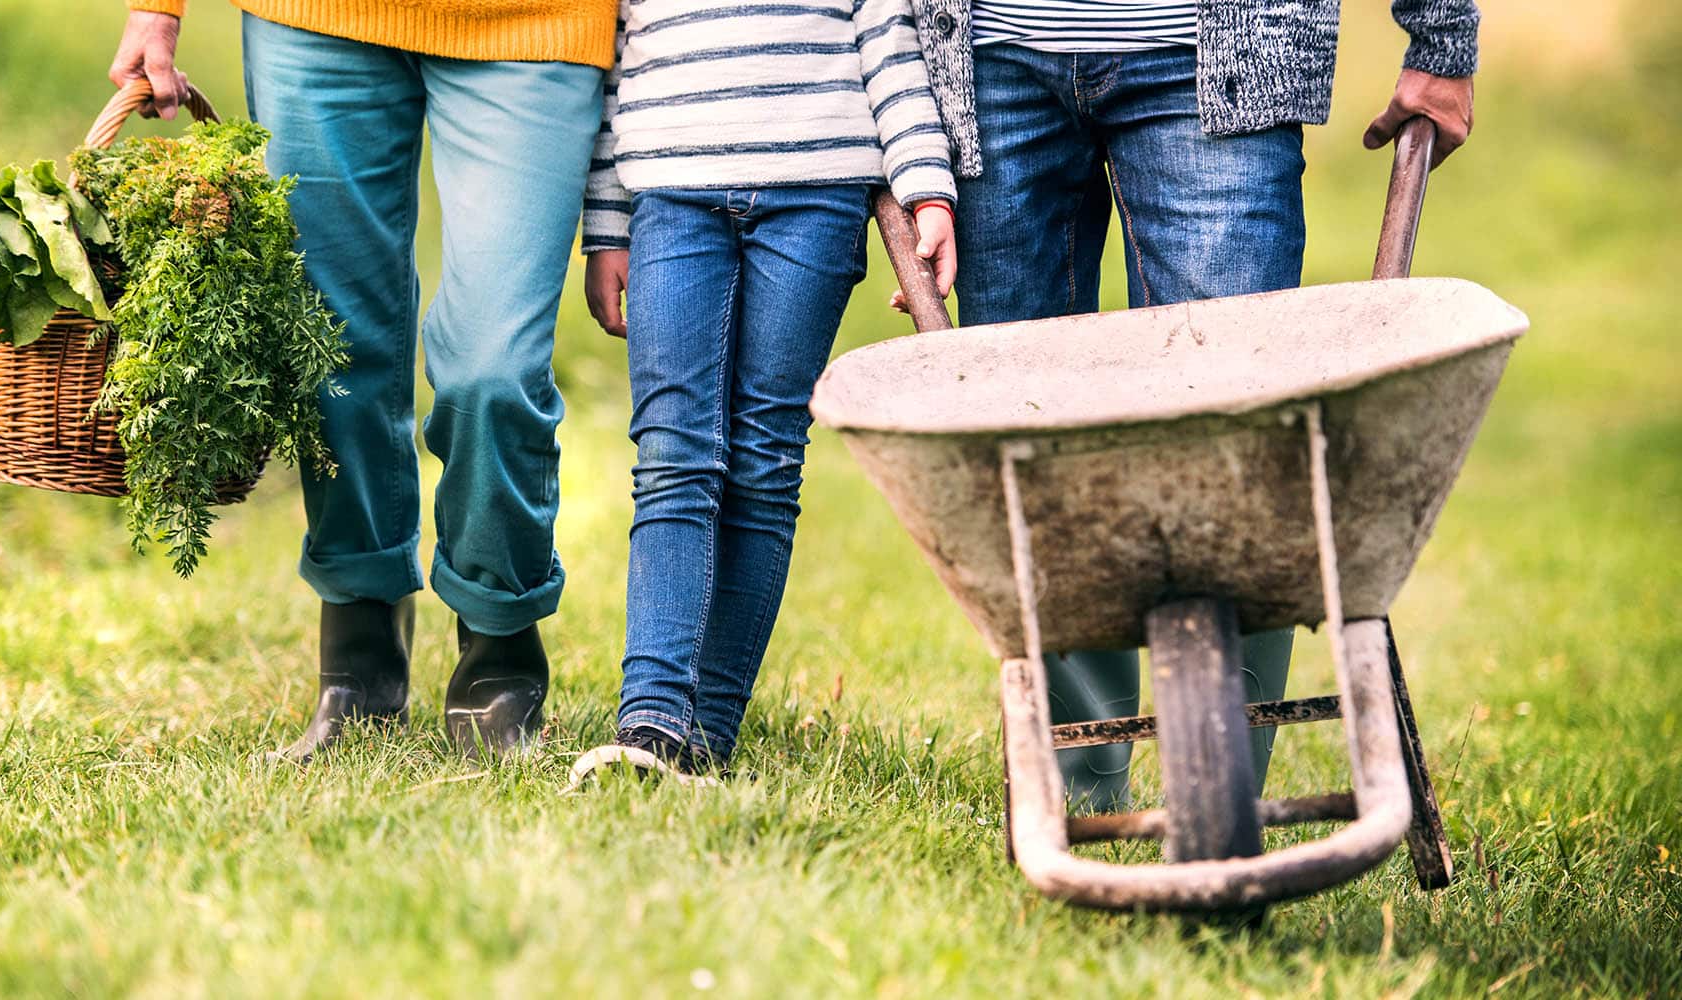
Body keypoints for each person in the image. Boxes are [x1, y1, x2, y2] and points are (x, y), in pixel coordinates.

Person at [903, 0, 1478, 808]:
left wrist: (1443, 33)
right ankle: (1083, 799)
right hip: (986, 56)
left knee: (1238, 435)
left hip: (1215, 48)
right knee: (1029, 438)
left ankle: (1221, 803)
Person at [108, 0, 618, 761]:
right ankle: (359, 658)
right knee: (333, 349)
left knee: (494, 366)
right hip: (314, 20)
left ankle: (499, 653)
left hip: (535, 23)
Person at [566, 0, 960, 783]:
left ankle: (706, 731)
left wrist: (925, 188)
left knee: (765, 459)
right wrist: (608, 228)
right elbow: (615, 68)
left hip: (817, 194)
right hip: (671, 196)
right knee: (674, 451)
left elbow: (890, 44)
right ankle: (648, 721)